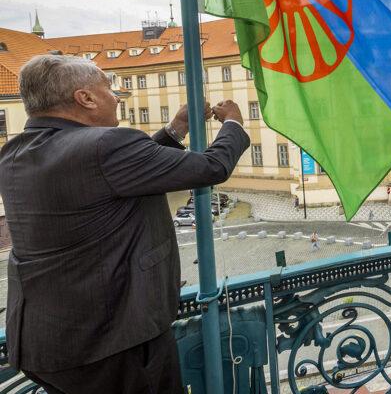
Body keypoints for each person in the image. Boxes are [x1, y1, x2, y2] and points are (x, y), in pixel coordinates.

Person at [0, 54, 250, 394]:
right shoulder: (106, 145)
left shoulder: (15, 151)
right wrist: (234, 124)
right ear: (85, 98)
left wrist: (178, 128)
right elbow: (211, 167)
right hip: (113, 340)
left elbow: (113, 175)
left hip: (43, 342)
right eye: (108, 89)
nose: (116, 97)